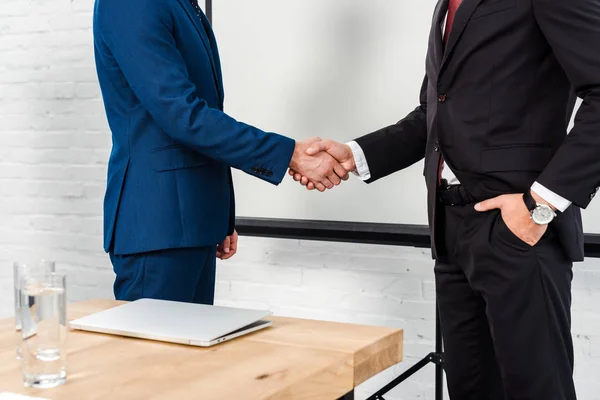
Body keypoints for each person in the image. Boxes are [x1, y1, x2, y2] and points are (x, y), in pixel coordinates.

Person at [291, 0, 600, 398]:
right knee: (470, 388)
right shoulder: (446, 4)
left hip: (519, 234)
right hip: (451, 231)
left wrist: (539, 205)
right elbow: (434, 114)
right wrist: (354, 155)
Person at [92, 0, 347, 305]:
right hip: (158, 227)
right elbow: (183, 115)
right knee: (153, 353)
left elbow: (199, 118)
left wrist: (218, 214)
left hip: (192, 222)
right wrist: (290, 154)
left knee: (194, 353)